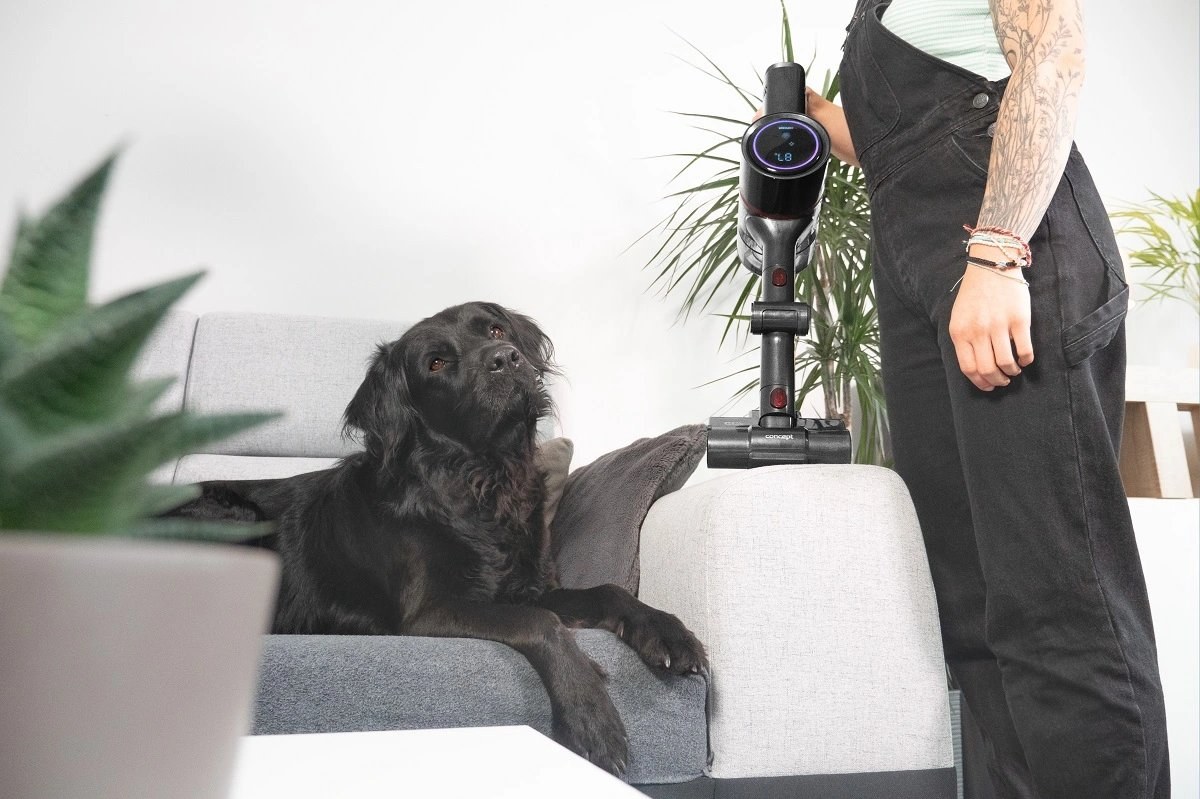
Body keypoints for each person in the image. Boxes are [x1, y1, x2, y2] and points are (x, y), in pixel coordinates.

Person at [799, 0, 1171, 796]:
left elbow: (1051, 58)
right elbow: (907, 136)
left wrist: (1000, 254)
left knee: (1056, 604)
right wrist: (823, 119)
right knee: (973, 612)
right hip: (919, 266)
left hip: (1007, 246)